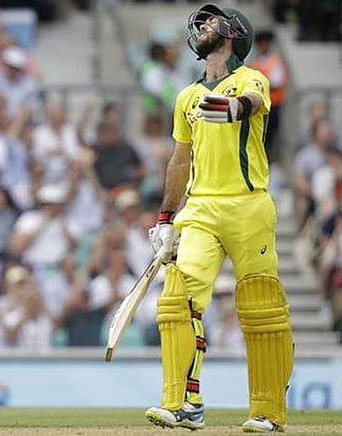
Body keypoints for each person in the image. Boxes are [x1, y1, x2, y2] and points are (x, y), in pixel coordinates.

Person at [145, 4, 294, 433]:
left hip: (248, 205)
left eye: (213, 22)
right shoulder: (186, 97)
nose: (203, 26)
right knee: (177, 300)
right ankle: (182, 403)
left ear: (233, 35)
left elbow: (254, 101)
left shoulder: (251, 77)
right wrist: (166, 218)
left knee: (261, 308)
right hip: (200, 209)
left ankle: (268, 411)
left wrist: (232, 108)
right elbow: (179, 160)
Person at [249, 30, 287, 165]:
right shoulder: (254, 63)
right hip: (257, 108)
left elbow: (276, 83)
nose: (263, 46)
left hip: (272, 106)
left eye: (266, 42)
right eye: (261, 43)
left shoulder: (275, 62)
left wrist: (259, 85)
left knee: (269, 139)